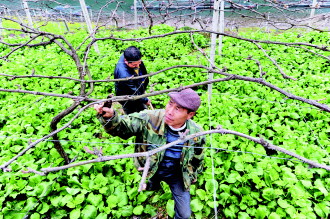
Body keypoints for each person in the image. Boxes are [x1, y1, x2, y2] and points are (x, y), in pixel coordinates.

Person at [94, 88, 205, 219]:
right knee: (149, 186)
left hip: (177, 174)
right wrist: (111, 117)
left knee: (185, 215)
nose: (169, 111)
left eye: (178, 109)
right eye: (170, 103)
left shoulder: (196, 133)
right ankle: (153, 184)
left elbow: (198, 157)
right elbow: (124, 126)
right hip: (151, 169)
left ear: (190, 115)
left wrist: (193, 175)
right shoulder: (150, 118)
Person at [114, 46, 151, 114]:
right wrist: (145, 100)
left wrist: (143, 87)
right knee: (132, 112)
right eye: (134, 65)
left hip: (136, 90)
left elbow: (143, 74)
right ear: (126, 61)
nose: (137, 66)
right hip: (126, 97)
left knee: (140, 105)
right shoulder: (124, 75)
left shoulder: (131, 57)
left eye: (139, 63)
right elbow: (133, 92)